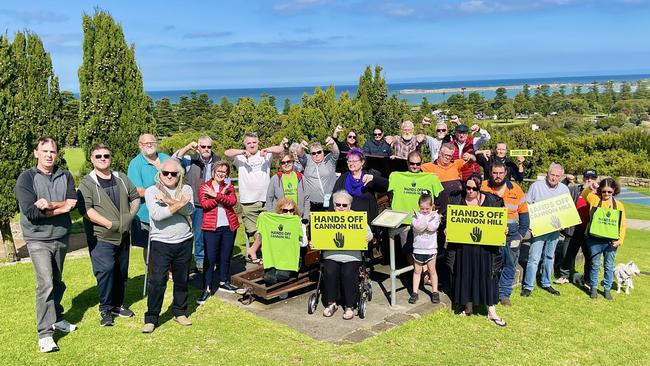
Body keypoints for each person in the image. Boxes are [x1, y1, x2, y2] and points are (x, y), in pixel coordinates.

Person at [14, 137, 78, 352]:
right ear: (36, 153)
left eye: (53, 151)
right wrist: (62, 208)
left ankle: (57, 318)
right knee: (46, 283)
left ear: (57, 154)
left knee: (57, 281)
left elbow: (73, 203)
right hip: (37, 238)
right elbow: (32, 213)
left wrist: (49, 205)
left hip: (60, 236)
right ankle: (45, 334)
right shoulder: (26, 178)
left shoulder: (66, 176)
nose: (49, 155)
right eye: (45, 151)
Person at [78, 144, 140, 326]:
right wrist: (109, 224)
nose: (103, 158)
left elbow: (135, 197)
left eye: (106, 155)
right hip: (101, 237)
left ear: (111, 157)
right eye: (98, 156)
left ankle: (118, 305)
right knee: (105, 272)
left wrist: (131, 215)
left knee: (121, 272)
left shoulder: (121, 178)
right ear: (92, 159)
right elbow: (85, 209)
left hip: (123, 235)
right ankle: (105, 309)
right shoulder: (87, 183)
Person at [142, 159, 195, 333]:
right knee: (157, 281)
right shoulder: (151, 191)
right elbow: (158, 215)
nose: (170, 176)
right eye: (166, 173)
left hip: (184, 240)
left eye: (174, 173)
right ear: (160, 174)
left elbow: (189, 211)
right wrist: (180, 203)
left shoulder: (186, 189)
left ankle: (179, 312)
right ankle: (151, 317)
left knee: (182, 279)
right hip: (161, 243)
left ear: (179, 174)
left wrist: (167, 200)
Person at [449, 174, 506, 327]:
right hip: (464, 248)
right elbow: (449, 220)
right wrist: (447, 230)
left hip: (485, 249)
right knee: (466, 274)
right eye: (467, 188)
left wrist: (503, 229)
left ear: (479, 188)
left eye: (474, 188)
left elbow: (498, 221)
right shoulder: (456, 200)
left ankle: (491, 312)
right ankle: (468, 307)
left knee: (487, 276)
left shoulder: (492, 201)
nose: (470, 191)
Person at [480, 162, 529, 306]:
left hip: (512, 234)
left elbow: (524, 216)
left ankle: (504, 294)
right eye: (495, 173)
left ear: (505, 173)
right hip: (489, 232)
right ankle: (490, 291)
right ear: (490, 173)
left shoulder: (516, 189)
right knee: (489, 263)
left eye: (500, 173)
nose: (498, 176)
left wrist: (520, 236)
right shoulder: (483, 187)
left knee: (509, 263)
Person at [224, 133, 286, 245]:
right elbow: (227, 153)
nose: (252, 145)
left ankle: (259, 252)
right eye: (248, 143)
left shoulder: (266, 155)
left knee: (271, 228)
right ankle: (259, 251)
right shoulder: (240, 158)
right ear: (245, 144)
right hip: (248, 201)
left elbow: (280, 149)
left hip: (266, 200)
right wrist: (241, 152)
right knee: (254, 231)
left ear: (258, 143)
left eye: (254, 142)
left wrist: (267, 149)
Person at [321, 190, 374, 320]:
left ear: (350, 206)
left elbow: (370, 234)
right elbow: (319, 237)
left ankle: (349, 306)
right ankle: (331, 303)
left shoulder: (357, 217)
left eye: (345, 205)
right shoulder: (327, 217)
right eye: (338, 204)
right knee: (330, 271)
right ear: (333, 205)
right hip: (331, 255)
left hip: (351, 256)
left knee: (348, 273)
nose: (341, 207)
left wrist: (366, 236)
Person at [521, 163, 570, 297]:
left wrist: (565, 222)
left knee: (549, 256)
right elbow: (527, 204)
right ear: (547, 174)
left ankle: (546, 283)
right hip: (538, 227)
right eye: (552, 174)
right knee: (534, 257)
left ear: (561, 177)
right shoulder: (536, 186)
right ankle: (528, 286)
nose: (553, 178)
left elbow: (567, 209)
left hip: (554, 229)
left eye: (557, 176)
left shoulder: (564, 189)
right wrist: (529, 222)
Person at [173, 136, 221, 272]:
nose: (206, 149)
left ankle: (213, 258)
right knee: (199, 234)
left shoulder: (218, 160)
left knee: (214, 232)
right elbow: (174, 160)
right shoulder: (190, 159)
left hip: (214, 203)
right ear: (198, 147)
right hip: (197, 203)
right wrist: (188, 147)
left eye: (209, 147)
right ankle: (200, 260)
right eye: (203, 146)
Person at [196, 161, 240, 304]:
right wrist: (221, 195)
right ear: (214, 172)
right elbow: (205, 204)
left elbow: (232, 201)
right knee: (210, 258)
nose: (221, 174)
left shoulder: (229, 187)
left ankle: (223, 281)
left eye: (224, 172)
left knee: (226, 256)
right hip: (211, 228)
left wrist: (216, 194)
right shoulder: (204, 186)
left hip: (229, 226)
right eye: (219, 171)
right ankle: (206, 288)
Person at [128, 133, 170, 263]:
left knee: (168, 243)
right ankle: (151, 271)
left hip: (169, 210)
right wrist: (159, 193)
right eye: (147, 143)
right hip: (146, 213)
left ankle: (168, 270)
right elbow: (136, 190)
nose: (151, 145)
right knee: (149, 245)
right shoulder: (135, 163)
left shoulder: (166, 158)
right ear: (140, 145)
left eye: (153, 142)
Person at [582, 178, 627, 300]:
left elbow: (622, 225)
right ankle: (594, 288)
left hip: (611, 242)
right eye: (604, 191)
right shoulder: (595, 199)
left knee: (609, 265)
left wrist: (620, 241)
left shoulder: (619, 205)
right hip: (595, 240)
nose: (606, 194)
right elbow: (584, 194)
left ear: (614, 191)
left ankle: (607, 289)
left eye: (609, 192)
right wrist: (591, 187)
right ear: (600, 191)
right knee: (595, 265)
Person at [246, 198, 307, 283]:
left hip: (289, 260)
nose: (288, 213)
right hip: (273, 259)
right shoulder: (271, 221)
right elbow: (262, 233)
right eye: (285, 211)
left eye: (291, 210)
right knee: (269, 278)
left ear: (295, 210)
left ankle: (283, 287)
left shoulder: (297, 222)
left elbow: (304, 244)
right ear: (280, 211)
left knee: (281, 276)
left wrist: (300, 227)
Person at [554, 169, 597, 287]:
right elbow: (560, 193)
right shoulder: (574, 189)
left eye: (592, 177)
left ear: (596, 179)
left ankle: (587, 279)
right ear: (583, 178)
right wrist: (565, 181)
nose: (589, 180)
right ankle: (564, 276)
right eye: (587, 177)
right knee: (567, 253)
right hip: (574, 228)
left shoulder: (599, 193)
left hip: (589, 230)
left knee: (589, 256)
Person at [331, 148, 389, 224]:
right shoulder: (343, 178)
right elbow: (333, 199)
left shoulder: (368, 177)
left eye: (354, 161)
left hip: (367, 222)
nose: (351, 163)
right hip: (348, 222)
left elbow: (386, 186)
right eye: (349, 161)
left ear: (362, 162)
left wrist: (373, 178)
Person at [408, 193, 441, 304]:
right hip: (418, 249)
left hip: (431, 250)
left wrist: (430, 218)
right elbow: (419, 227)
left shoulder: (435, 216)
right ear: (419, 207)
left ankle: (435, 292)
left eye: (427, 208)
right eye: (422, 208)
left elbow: (433, 227)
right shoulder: (415, 216)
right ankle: (414, 292)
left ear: (431, 206)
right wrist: (425, 219)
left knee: (432, 271)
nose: (425, 211)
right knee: (417, 271)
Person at [299, 138, 339, 212]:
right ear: (310, 155)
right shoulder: (308, 160)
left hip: (329, 202)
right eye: (313, 153)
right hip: (311, 204)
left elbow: (336, 152)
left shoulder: (329, 160)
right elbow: (300, 155)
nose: (316, 154)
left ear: (323, 152)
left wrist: (333, 143)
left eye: (319, 152)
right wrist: (300, 147)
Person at [266, 152, 310, 219]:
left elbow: (307, 198)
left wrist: (306, 217)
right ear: (280, 164)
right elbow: (269, 199)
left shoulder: (300, 177)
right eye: (283, 162)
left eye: (288, 161)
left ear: (292, 162)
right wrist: (272, 216)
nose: (286, 164)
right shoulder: (275, 178)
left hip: (298, 217)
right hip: (280, 217)